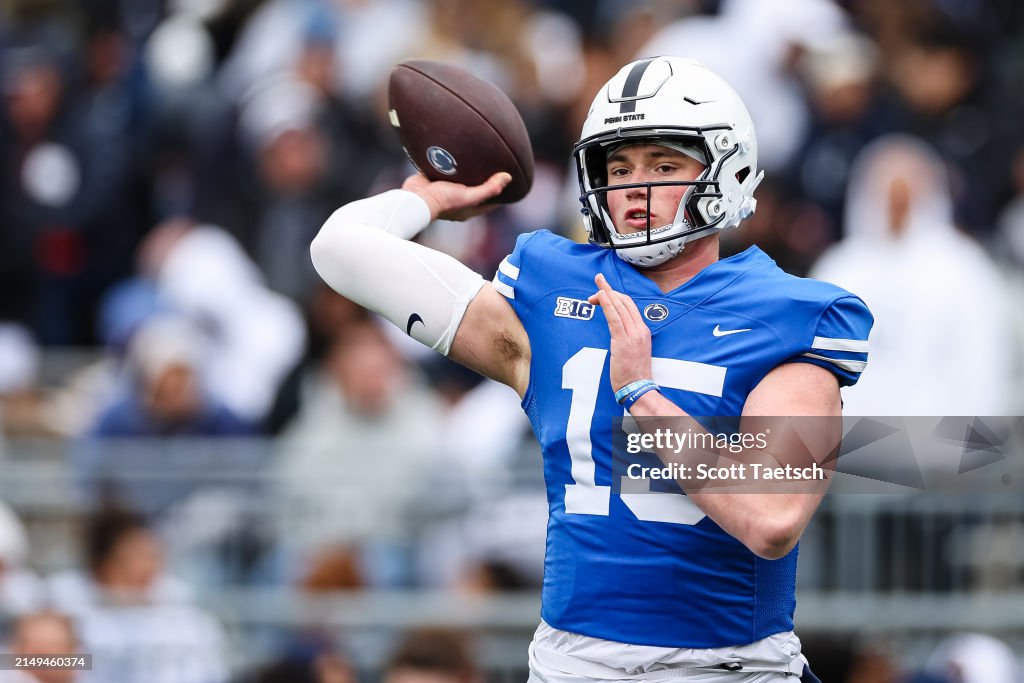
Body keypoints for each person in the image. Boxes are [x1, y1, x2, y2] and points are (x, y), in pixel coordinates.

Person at [310, 56, 873, 682]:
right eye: (620, 166)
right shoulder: (553, 286)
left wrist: (643, 395)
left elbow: (769, 519)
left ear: (727, 169)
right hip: (572, 663)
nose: (635, 186)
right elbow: (338, 250)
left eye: (664, 164)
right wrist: (422, 199)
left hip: (724, 667)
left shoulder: (789, 315)